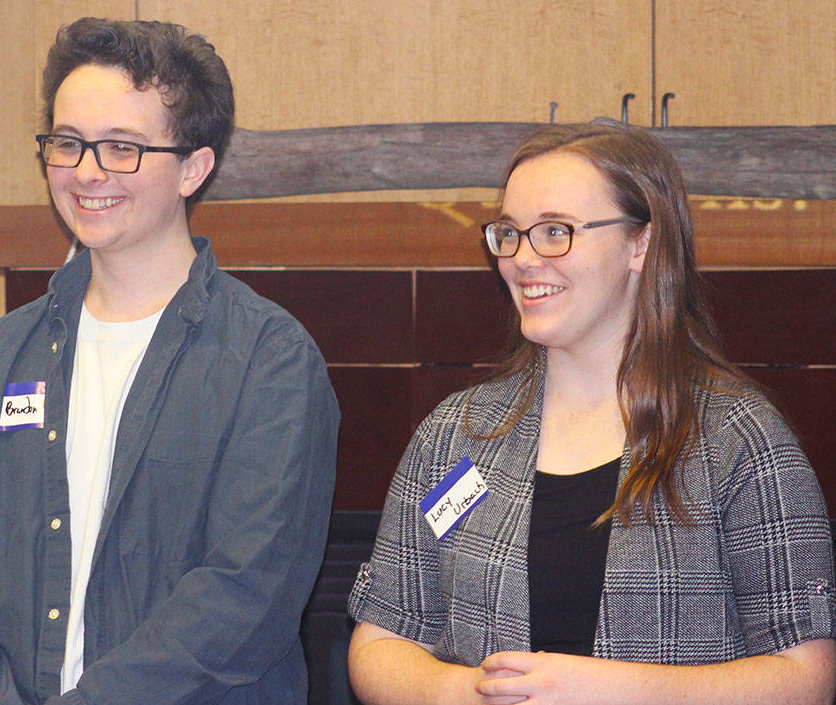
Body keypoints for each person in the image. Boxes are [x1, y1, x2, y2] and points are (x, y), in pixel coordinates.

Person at [0, 17, 339, 705]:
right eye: (68, 144)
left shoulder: (270, 362)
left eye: (122, 148)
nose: (87, 172)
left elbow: (245, 592)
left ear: (195, 166)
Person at [347, 122, 835, 705]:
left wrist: (605, 690)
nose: (523, 259)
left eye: (556, 232)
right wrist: (468, 691)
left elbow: (807, 676)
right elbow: (379, 640)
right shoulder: (457, 437)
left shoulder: (739, 441)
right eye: (510, 233)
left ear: (641, 244)